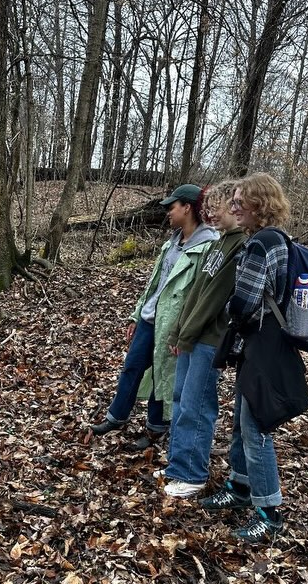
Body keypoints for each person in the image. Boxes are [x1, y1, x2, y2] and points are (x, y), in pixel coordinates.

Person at [198, 172, 292, 543]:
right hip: (265, 344)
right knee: (242, 420)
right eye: (233, 201)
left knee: (255, 430)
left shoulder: (260, 245)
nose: (234, 207)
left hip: (260, 345)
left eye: (240, 202)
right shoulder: (278, 240)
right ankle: (239, 488)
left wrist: (229, 313)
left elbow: (245, 301)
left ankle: (268, 513)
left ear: (260, 204)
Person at [89, 184, 217, 447]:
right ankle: (117, 416)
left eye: (172, 207)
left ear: (187, 207)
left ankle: (156, 427)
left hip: (174, 325)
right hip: (151, 318)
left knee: (163, 374)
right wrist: (137, 315)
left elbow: (201, 295)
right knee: (132, 366)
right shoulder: (173, 241)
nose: (168, 213)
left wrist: (183, 331)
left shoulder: (208, 247)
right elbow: (155, 283)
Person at [160, 181, 248, 498]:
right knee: (181, 400)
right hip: (191, 337)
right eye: (207, 207)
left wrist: (187, 334)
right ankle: (178, 465)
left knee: (196, 406)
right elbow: (195, 292)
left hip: (209, 339)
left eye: (217, 207)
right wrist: (177, 332)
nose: (210, 213)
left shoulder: (239, 245)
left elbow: (213, 299)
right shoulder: (217, 244)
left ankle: (192, 474)